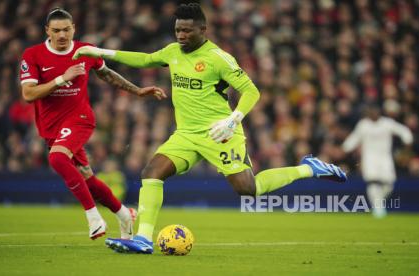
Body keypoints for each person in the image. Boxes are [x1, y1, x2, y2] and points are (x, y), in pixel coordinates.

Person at [74, 3, 346, 253]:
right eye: (178, 29)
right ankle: (144, 239)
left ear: (203, 30)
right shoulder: (172, 52)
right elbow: (144, 59)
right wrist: (100, 52)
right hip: (186, 134)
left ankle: (309, 168)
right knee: (152, 173)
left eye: (187, 30)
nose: (181, 35)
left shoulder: (218, 58)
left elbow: (251, 91)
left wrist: (233, 119)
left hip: (221, 132)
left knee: (247, 190)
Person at [19, 8, 166, 240]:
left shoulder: (85, 51)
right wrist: (62, 78)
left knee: (57, 158)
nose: (62, 35)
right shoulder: (33, 55)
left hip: (80, 118)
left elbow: (106, 74)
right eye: (56, 30)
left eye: (66, 29)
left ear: (73, 28)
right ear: (47, 30)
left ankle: (93, 217)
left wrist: (137, 90)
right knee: (88, 178)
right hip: (51, 125)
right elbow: (28, 94)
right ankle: (124, 214)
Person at [342, 104, 413, 218]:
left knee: (389, 184)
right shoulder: (363, 125)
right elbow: (354, 138)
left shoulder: (387, 123)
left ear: (379, 112)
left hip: (385, 158)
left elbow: (403, 130)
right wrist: (345, 148)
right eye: (371, 112)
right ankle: (378, 209)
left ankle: (377, 205)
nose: (373, 114)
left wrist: (408, 140)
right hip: (369, 158)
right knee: (373, 182)